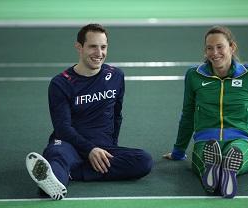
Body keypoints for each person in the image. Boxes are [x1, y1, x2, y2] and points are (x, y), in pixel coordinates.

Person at [163, 26, 248, 198]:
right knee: (224, 154)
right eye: (209, 48)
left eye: (220, 47)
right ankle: (224, 171)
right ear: (205, 50)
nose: (214, 53)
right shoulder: (194, 75)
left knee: (233, 154)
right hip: (207, 139)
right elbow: (188, 114)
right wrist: (178, 151)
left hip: (239, 139)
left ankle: (217, 173)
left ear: (232, 47)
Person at [26, 23, 153, 200]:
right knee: (58, 155)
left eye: (103, 47)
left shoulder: (116, 76)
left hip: (102, 146)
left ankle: (71, 173)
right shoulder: (60, 84)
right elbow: (63, 128)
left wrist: (110, 147)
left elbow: (117, 115)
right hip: (69, 144)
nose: (99, 53)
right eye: (93, 46)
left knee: (144, 161)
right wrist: (90, 149)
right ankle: (52, 183)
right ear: (79, 47)